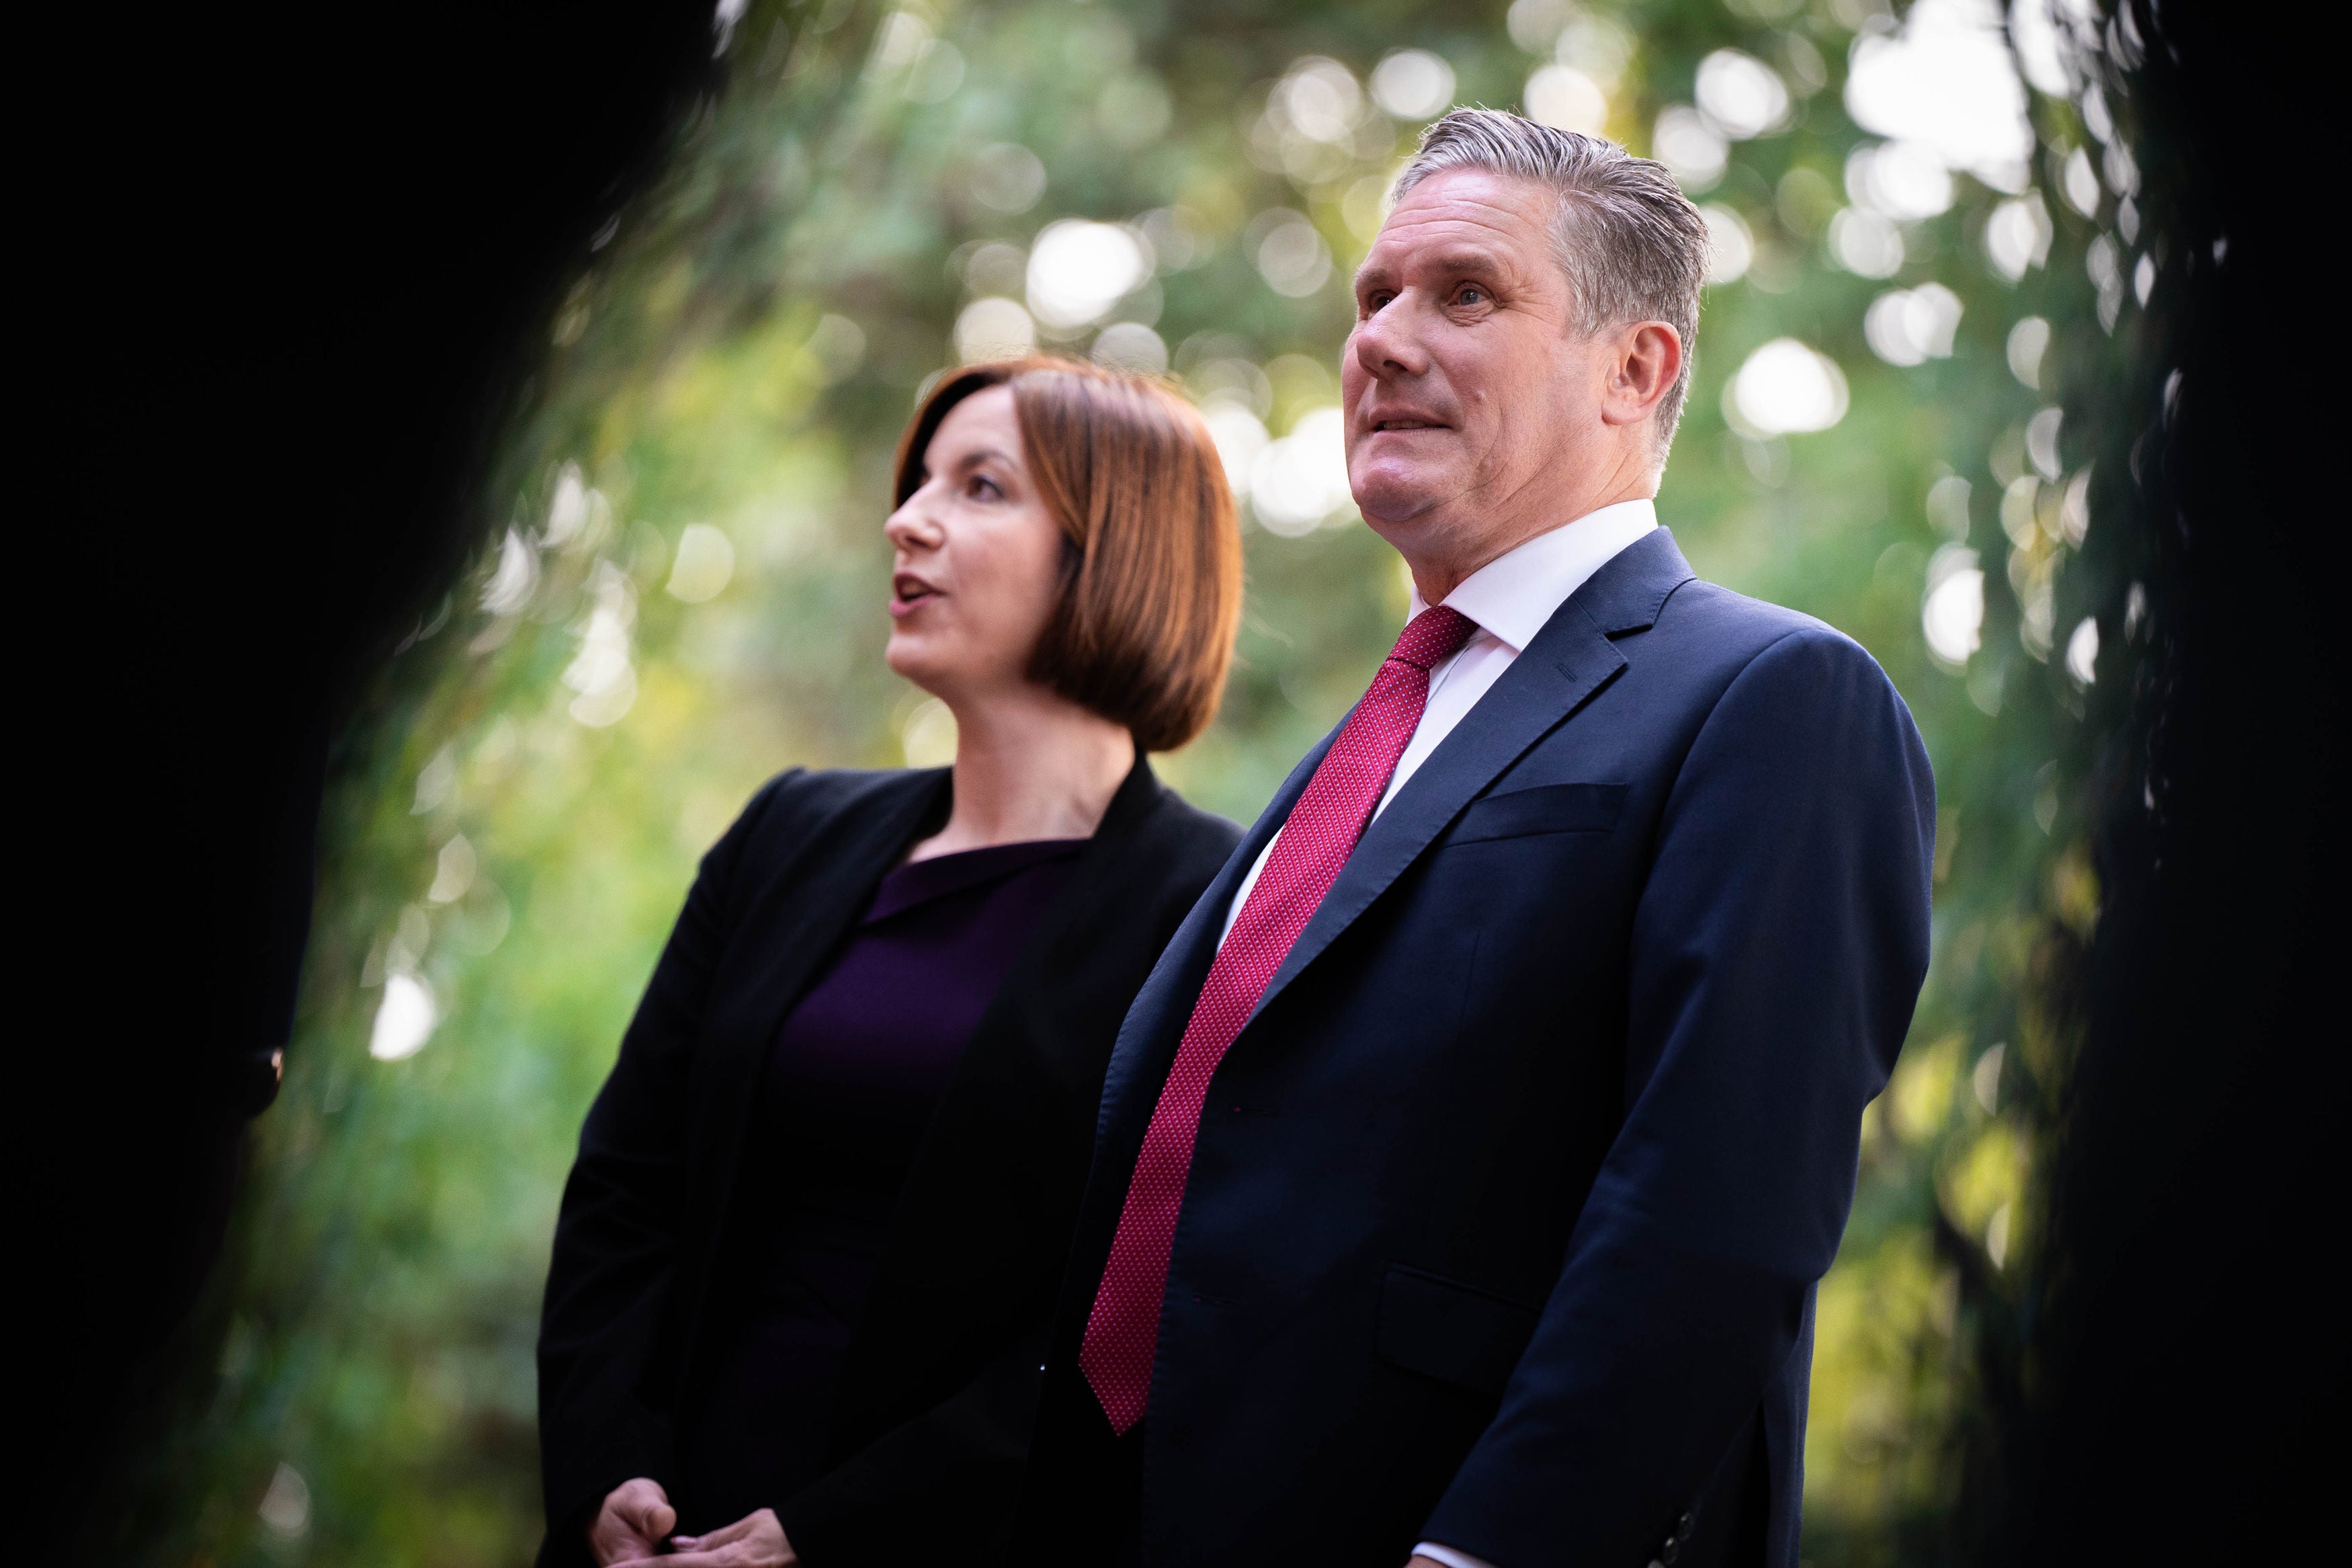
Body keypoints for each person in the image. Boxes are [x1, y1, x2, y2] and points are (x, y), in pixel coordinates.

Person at [1013, 110, 1936, 1568]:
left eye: (1464, 295)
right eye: (1373, 296)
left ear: (1636, 369)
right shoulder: (1363, 736)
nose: (1381, 339)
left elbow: (1715, 1207)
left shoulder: (1771, 698)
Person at [534, 357, 1245, 1568]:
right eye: (920, 483)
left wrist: (823, 1535)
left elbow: (1137, 1326)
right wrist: (609, 1465)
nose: (905, 521)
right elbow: (626, 1187)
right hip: (652, 1526)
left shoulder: (1214, 913)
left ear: (1112, 549)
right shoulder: (788, 833)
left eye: (980, 488)